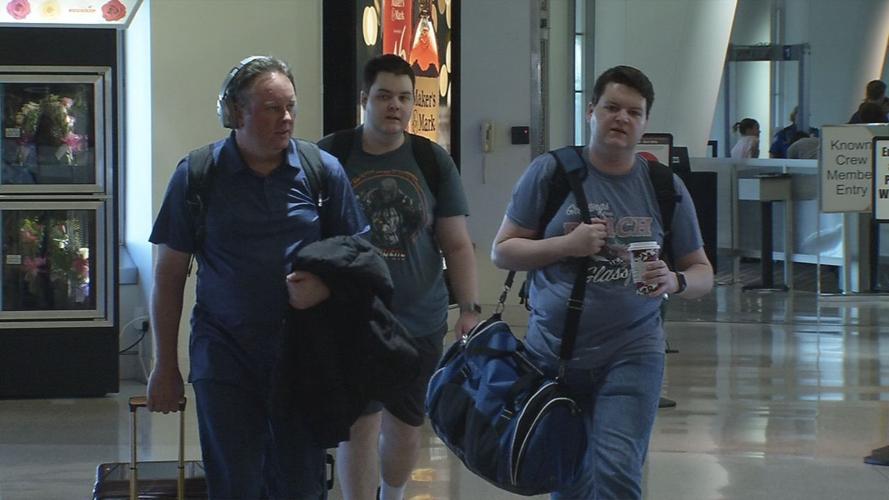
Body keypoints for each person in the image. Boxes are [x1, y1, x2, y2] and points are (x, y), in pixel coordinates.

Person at [146, 55, 367, 499]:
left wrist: (325, 286)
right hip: (223, 355)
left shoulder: (322, 172)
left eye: (290, 106)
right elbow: (169, 275)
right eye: (271, 107)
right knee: (235, 482)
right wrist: (164, 365)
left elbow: (360, 256)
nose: (285, 118)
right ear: (235, 112)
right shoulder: (198, 176)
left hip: (302, 356)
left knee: (301, 483)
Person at [491, 65, 713, 500]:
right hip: (551, 353)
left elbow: (702, 272)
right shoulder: (551, 172)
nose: (622, 119)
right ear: (591, 111)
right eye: (612, 107)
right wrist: (565, 245)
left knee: (615, 472)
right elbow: (503, 251)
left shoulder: (665, 187)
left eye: (634, 112)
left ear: (646, 123)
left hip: (633, 351)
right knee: (567, 479)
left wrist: (675, 281)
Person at [318, 53, 480, 500]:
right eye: (385, 96)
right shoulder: (331, 155)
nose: (395, 106)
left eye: (404, 98)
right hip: (352, 318)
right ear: (365, 100)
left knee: (407, 424)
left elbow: (457, 243)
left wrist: (469, 309)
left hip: (419, 320)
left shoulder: (430, 160)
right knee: (359, 423)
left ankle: (393, 492)